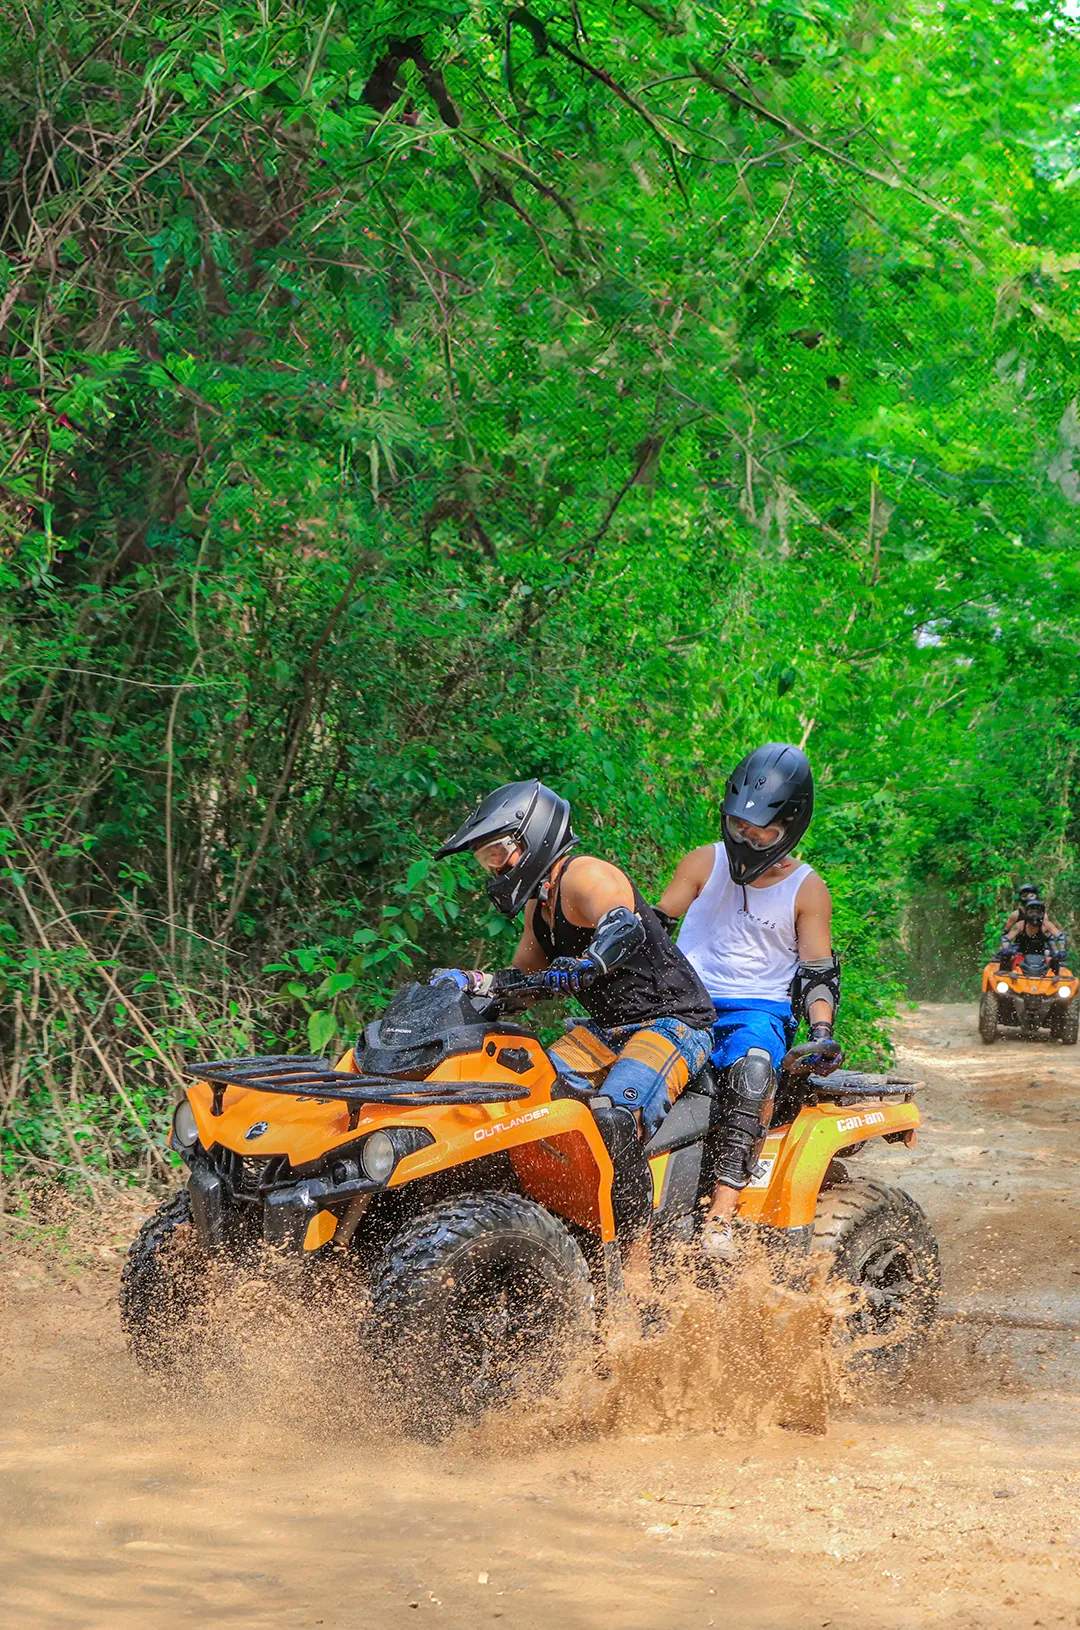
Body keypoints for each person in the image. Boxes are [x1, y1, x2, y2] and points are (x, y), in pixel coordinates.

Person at [432, 779, 715, 1263]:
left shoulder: (586, 876)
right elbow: (520, 978)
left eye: (498, 853)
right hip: (604, 1032)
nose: (494, 867)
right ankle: (540, 1228)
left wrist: (591, 962)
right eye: (485, 859)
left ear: (532, 836)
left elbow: (621, 923)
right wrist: (471, 983)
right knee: (524, 1099)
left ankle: (637, 1260)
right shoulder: (539, 909)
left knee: (611, 1117)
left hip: (671, 1023)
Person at [657, 743, 841, 1257]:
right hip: (682, 1003)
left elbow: (817, 972)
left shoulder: (807, 889)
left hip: (757, 1012)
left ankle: (721, 1217)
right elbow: (657, 925)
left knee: (755, 1070)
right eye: (740, 826)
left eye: (762, 831)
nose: (749, 838)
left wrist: (821, 1032)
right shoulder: (701, 863)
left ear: (792, 826)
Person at [997, 899, 1067, 976]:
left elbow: (1060, 936)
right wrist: (1006, 949)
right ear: (1026, 913)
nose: (1035, 915)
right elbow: (1006, 938)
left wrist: (1062, 950)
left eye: (1038, 912)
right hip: (1021, 953)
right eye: (1031, 912)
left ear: (1042, 914)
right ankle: (1003, 976)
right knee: (1007, 956)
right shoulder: (1020, 925)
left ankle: (1057, 979)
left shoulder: (1046, 925)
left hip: (1042, 954)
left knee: (1055, 959)